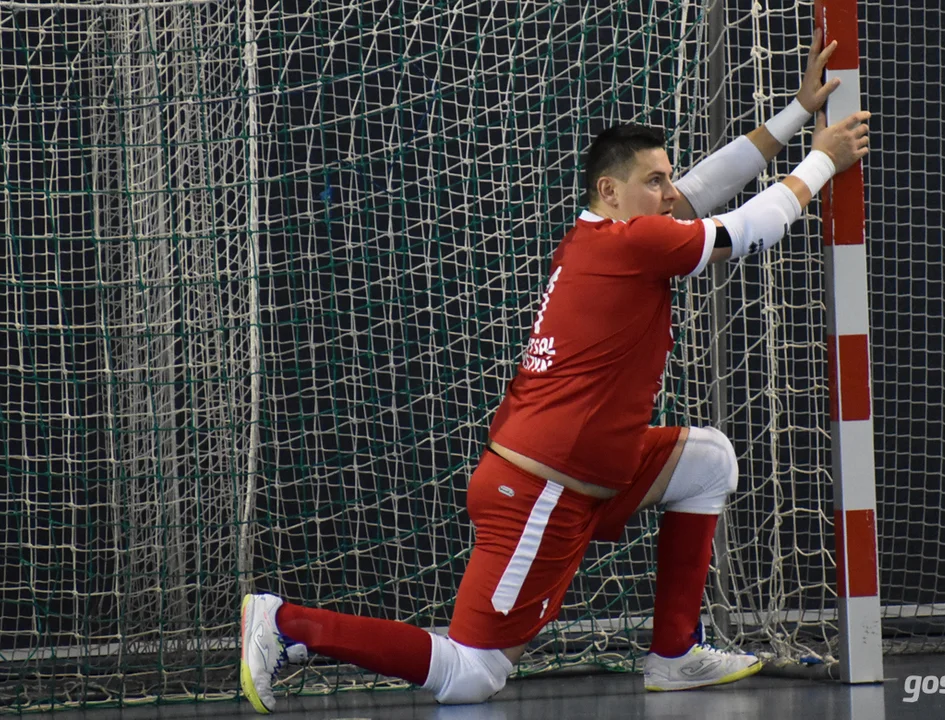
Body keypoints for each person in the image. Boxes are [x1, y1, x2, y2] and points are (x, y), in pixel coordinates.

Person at [240, 28, 870, 714]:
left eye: (666, 178)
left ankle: (676, 655)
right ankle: (286, 625)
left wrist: (794, 112)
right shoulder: (632, 243)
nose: (669, 191)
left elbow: (705, 185)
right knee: (475, 673)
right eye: (653, 181)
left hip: (590, 471)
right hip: (539, 489)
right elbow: (747, 228)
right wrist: (821, 161)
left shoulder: (608, 235)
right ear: (611, 189)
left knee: (707, 461)